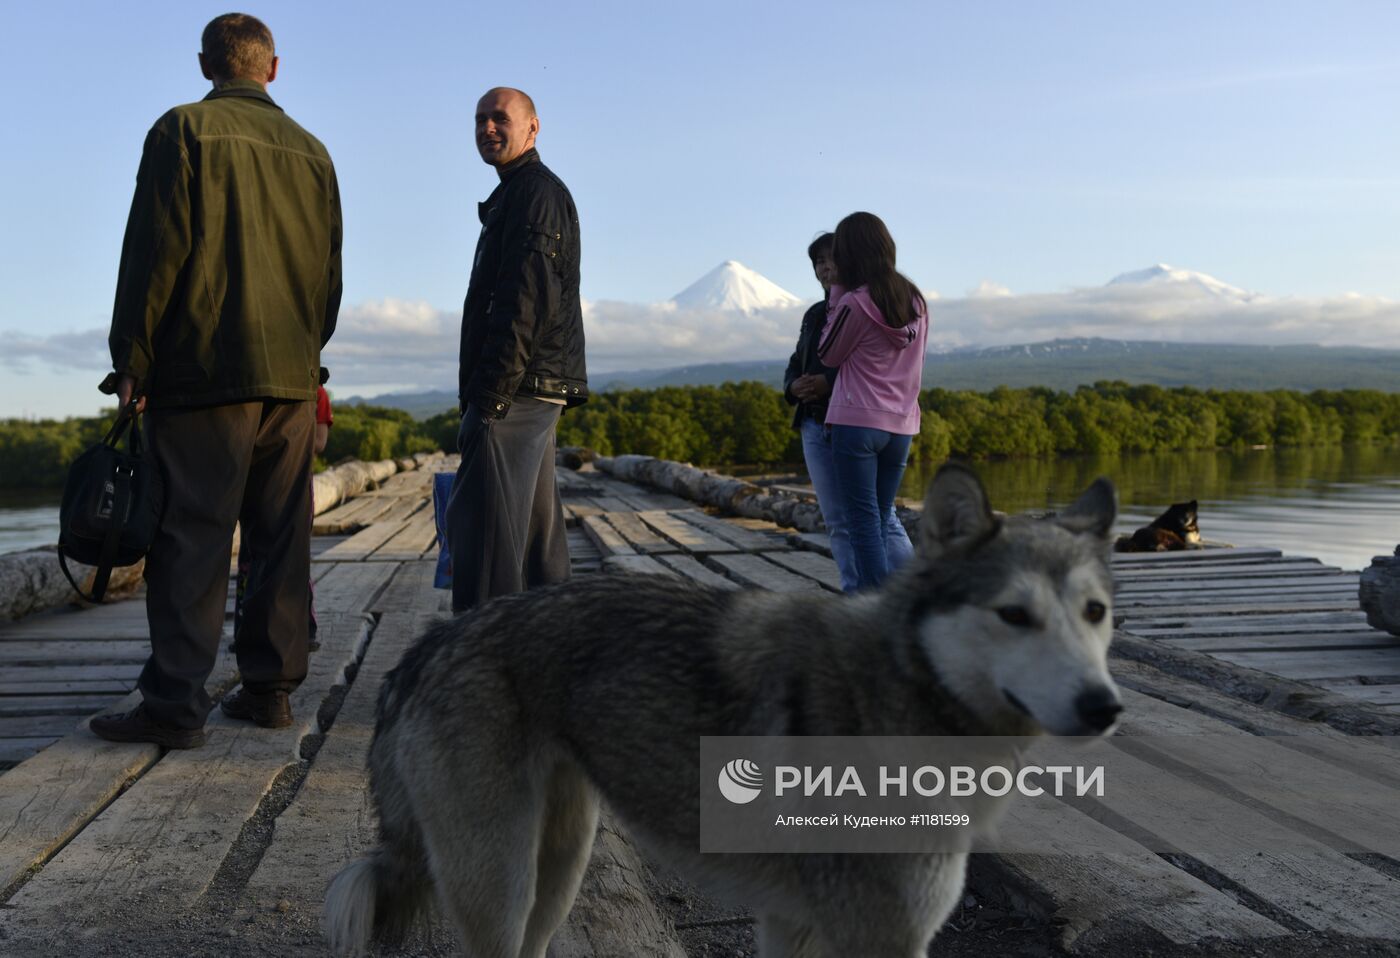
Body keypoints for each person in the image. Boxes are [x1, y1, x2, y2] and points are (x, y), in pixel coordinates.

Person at [91, 13, 342, 748]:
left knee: (193, 538)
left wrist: (131, 356)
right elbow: (329, 278)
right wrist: (304, 354)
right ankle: (269, 691)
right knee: (280, 536)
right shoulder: (314, 152)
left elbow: (153, 252)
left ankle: (174, 702)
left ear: (207, 65)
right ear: (273, 68)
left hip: (203, 372)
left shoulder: (181, 131)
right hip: (292, 379)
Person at [446, 87, 588, 613]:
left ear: (532, 127)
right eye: (479, 119)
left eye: (499, 118)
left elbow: (524, 303)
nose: (487, 128)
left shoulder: (533, 193)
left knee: (486, 543)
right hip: (531, 386)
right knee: (531, 540)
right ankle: (554, 654)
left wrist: (490, 398)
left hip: (517, 388)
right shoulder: (521, 191)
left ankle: (481, 661)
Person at [784, 233, 913, 591]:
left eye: (831, 260)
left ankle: (910, 592)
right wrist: (793, 387)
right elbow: (799, 360)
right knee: (838, 520)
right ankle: (856, 594)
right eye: (818, 263)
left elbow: (862, 361)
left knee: (879, 517)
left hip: (850, 421)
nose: (826, 268)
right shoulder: (813, 314)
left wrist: (827, 382)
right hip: (814, 422)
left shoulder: (864, 304)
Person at [818, 212, 927, 590]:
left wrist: (836, 294)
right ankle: (890, 607)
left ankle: (873, 612)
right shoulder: (916, 300)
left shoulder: (855, 303)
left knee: (861, 523)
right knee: (880, 518)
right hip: (901, 425)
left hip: (857, 422)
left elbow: (827, 354)